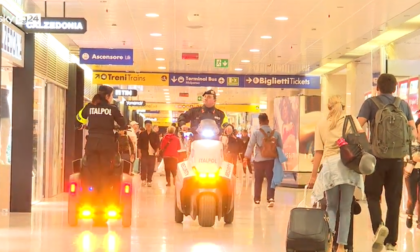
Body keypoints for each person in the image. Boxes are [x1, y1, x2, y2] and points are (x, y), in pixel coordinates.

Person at [357, 73, 416, 252]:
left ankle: (378, 227)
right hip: (397, 160)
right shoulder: (403, 105)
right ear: (395, 88)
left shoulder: (370, 103)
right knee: (394, 199)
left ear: (378, 88)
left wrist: (367, 147)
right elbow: (413, 130)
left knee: (373, 195)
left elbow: (358, 126)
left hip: (376, 159)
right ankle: (391, 242)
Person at [309, 96, 364, 252]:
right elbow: (362, 139)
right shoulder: (351, 119)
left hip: (329, 168)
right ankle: (341, 246)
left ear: (329, 107)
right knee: (346, 208)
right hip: (348, 166)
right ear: (343, 106)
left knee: (331, 207)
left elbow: (318, 152)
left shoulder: (321, 123)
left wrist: (313, 176)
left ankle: (329, 241)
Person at [75, 85, 127, 203]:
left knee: (91, 169)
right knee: (106, 169)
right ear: (107, 96)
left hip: (92, 144)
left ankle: (91, 194)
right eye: (112, 95)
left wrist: (81, 125)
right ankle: (105, 195)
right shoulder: (112, 108)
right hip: (107, 144)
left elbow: (78, 119)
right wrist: (121, 128)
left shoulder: (89, 107)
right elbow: (123, 123)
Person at [244, 113, 282, 207]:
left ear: (260, 122)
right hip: (271, 160)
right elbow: (280, 147)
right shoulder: (276, 133)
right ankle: (270, 198)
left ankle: (257, 199)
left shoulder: (256, 133)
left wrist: (246, 157)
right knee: (270, 179)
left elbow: (250, 145)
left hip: (258, 161)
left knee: (258, 180)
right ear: (268, 121)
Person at [137, 120, 160, 187]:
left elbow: (158, 143)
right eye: (147, 125)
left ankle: (149, 180)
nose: (148, 126)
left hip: (152, 153)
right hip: (144, 152)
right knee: (143, 166)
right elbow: (139, 144)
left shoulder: (155, 134)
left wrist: (157, 151)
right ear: (145, 126)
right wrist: (139, 153)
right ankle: (143, 179)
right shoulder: (142, 134)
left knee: (151, 167)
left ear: (151, 126)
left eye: (149, 125)